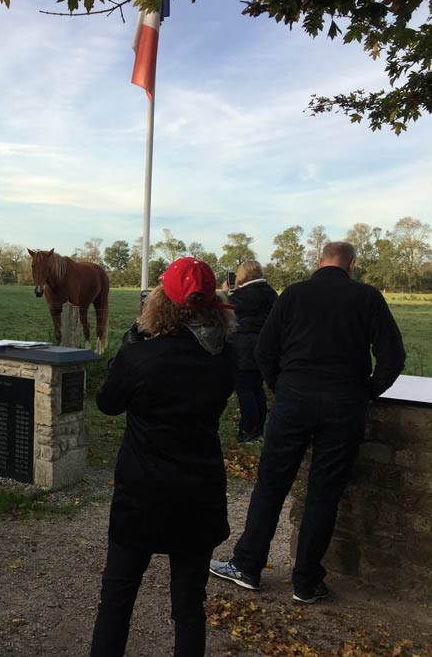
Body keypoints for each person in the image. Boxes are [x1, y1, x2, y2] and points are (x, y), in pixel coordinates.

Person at [210, 241, 406, 604]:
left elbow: (264, 350)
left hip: (293, 399)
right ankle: (306, 580)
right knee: (324, 492)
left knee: (271, 483)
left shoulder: (294, 295)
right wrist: (364, 392)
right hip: (344, 405)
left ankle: (248, 566)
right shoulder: (367, 297)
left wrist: (281, 386)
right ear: (352, 264)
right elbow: (393, 358)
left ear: (319, 262)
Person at [90, 257, 236, 657]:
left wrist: (131, 344)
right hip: (199, 491)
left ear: (160, 301)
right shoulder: (225, 358)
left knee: (117, 598)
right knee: (189, 606)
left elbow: (107, 404)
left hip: (143, 492)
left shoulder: (142, 358)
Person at [223, 261, 278, 443]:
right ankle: (259, 430)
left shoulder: (239, 297)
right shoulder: (271, 294)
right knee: (257, 388)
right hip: (265, 347)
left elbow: (224, 316)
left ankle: (248, 431)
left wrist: (224, 293)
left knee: (245, 390)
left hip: (243, 347)